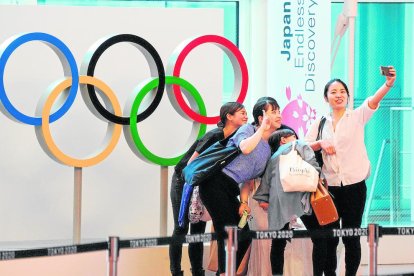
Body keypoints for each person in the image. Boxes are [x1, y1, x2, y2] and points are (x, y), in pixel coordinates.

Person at [304, 66, 397, 276]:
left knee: (351, 235)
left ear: (347, 96)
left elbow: (373, 101)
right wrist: (321, 142)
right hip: (329, 188)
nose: (339, 96)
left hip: (355, 186)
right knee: (330, 236)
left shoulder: (356, 117)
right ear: (326, 98)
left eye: (342, 92)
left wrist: (389, 84)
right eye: (333, 92)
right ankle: (330, 274)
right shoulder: (319, 123)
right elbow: (304, 147)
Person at [199, 98, 282, 275]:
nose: (278, 115)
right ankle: (225, 272)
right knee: (229, 232)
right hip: (214, 183)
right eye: (273, 111)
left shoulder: (268, 150)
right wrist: (261, 129)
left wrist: (244, 202)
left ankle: (227, 271)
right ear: (261, 117)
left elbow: (249, 181)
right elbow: (245, 148)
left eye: (278, 111)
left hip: (230, 190)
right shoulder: (248, 130)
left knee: (243, 234)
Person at [169, 102, 248, 276]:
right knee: (181, 228)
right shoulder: (215, 135)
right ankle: (176, 271)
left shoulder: (237, 139)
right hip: (184, 180)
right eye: (241, 113)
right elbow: (191, 164)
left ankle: (198, 271)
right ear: (229, 116)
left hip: (203, 182)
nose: (245, 116)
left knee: (198, 228)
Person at [253, 128, 320, 276]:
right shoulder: (300, 145)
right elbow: (313, 165)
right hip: (302, 198)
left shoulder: (272, 158)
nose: (296, 138)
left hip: (279, 203)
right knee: (319, 237)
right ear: (283, 139)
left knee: (278, 244)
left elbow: (265, 186)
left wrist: (265, 201)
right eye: (293, 136)